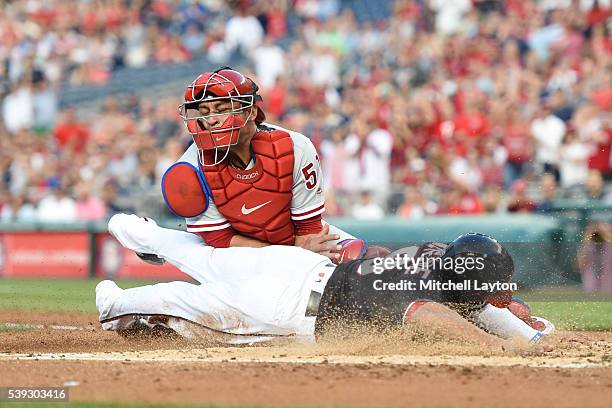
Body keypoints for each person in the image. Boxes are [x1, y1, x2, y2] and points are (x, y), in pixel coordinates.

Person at [97, 214, 554, 349]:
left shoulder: (436, 254)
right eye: (494, 284)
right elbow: (431, 316)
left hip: (292, 266)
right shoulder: (428, 296)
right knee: (177, 301)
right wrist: (500, 343)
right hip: (288, 308)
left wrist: (528, 330)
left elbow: (477, 307)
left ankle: (136, 229)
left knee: (204, 257)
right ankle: (113, 304)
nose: (502, 292)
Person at [161, 67, 379, 264]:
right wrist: (295, 254)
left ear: (251, 112)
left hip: (295, 239)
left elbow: (308, 229)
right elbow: (219, 240)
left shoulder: (295, 148)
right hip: (236, 262)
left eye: (221, 109)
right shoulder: (190, 170)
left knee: (372, 259)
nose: (211, 120)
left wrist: (301, 252)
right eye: (205, 112)